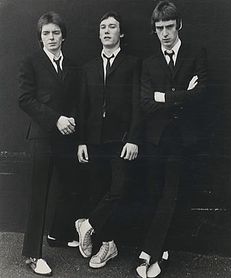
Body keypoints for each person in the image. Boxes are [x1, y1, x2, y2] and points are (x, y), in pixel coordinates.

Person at [136, 1, 207, 277]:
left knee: (170, 193)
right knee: (155, 194)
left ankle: (148, 253)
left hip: (183, 139)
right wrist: (181, 96)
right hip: (155, 139)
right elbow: (144, 103)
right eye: (159, 28)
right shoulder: (150, 62)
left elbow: (201, 94)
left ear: (179, 25)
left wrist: (163, 96)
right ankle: (161, 247)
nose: (164, 33)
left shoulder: (195, 54)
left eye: (168, 27)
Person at [75, 11, 142, 269]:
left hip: (122, 140)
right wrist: (81, 141)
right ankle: (108, 244)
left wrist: (134, 138)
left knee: (119, 188)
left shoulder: (133, 63)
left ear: (120, 33)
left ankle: (87, 225)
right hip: (93, 140)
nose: (106, 31)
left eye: (112, 27)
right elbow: (83, 106)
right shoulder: (88, 67)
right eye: (102, 27)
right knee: (98, 192)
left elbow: (138, 105)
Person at [18, 11, 80, 276]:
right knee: (39, 195)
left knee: (68, 187)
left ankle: (58, 234)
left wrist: (73, 121)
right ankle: (32, 254)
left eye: (55, 33)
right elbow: (25, 99)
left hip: (67, 137)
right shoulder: (30, 62)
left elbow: (76, 98)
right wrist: (56, 120)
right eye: (46, 33)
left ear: (63, 36)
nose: (51, 38)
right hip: (42, 136)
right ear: (40, 37)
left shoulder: (71, 65)